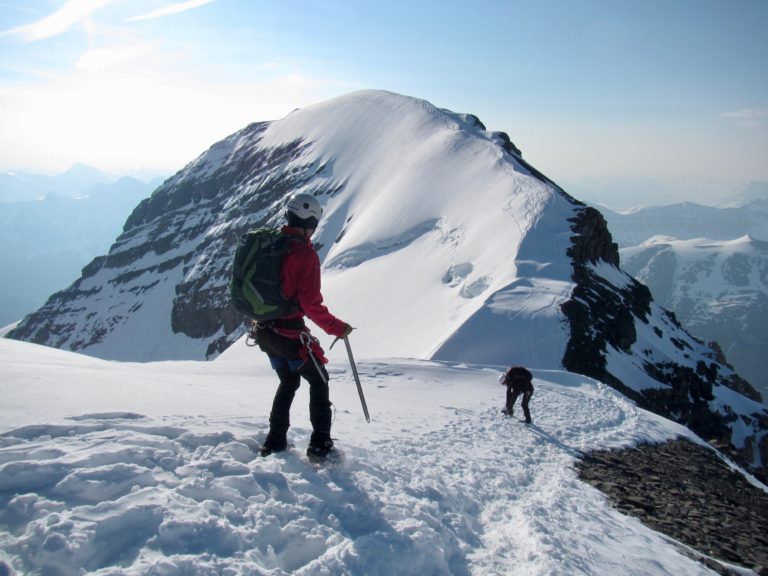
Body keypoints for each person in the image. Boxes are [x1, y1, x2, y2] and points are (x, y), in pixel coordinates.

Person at [255, 193, 353, 460]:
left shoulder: (273, 244)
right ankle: (320, 445)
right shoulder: (304, 254)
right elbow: (310, 303)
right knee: (319, 380)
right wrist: (337, 327)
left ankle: (274, 442)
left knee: (288, 381)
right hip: (288, 334)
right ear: (310, 221)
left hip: (264, 330)